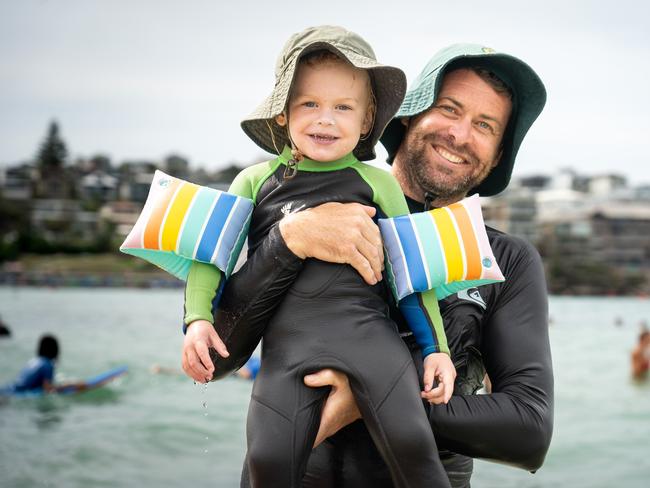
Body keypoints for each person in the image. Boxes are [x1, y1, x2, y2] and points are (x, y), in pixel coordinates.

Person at [183, 42, 554, 487]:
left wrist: (371, 396)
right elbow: (216, 357)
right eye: (449, 109)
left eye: (485, 125)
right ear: (406, 117)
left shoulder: (507, 259)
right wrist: (289, 241)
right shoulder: (290, 211)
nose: (460, 134)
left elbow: (529, 430)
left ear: (497, 155)